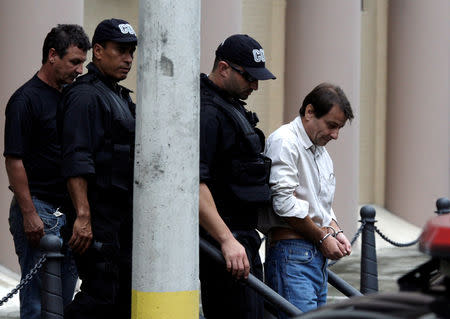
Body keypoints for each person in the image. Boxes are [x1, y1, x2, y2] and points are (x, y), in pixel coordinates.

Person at [4, 24, 90, 319]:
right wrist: (29, 214)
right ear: (52, 55)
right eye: (74, 61)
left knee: (61, 306)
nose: (80, 69)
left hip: (66, 212)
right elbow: (14, 160)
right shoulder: (24, 100)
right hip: (39, 208)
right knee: (37, 305)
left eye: (82, 62)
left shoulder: (71, 96)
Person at [59, 18, 137, 319]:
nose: (128, 59)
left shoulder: (117, 95)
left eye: (131, 52)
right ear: (99, 51)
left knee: (120, 301)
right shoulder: (85, 96)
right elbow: (76, 158)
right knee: (102, 296)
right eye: (121, 51)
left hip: (120, 219)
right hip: (99, 219)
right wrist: (83, 215)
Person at [259, 83, 354, 317]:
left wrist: (335, 230)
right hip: (291, 255)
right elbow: (284, 204)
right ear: (309, 112)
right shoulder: (284, 141)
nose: (335, 135)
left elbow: (321, 206)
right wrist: (323, 236)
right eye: (332, 125)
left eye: (339, 128)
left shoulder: (321, 152)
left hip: (310, 257)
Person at [199, 34, 276, 319]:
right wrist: (226, 240)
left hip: (241, 237)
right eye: (249, 78)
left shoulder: (228, 104)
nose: (255, 86)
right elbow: (194, 185)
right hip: (225, 239)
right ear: (223, 68)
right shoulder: (207, 112)